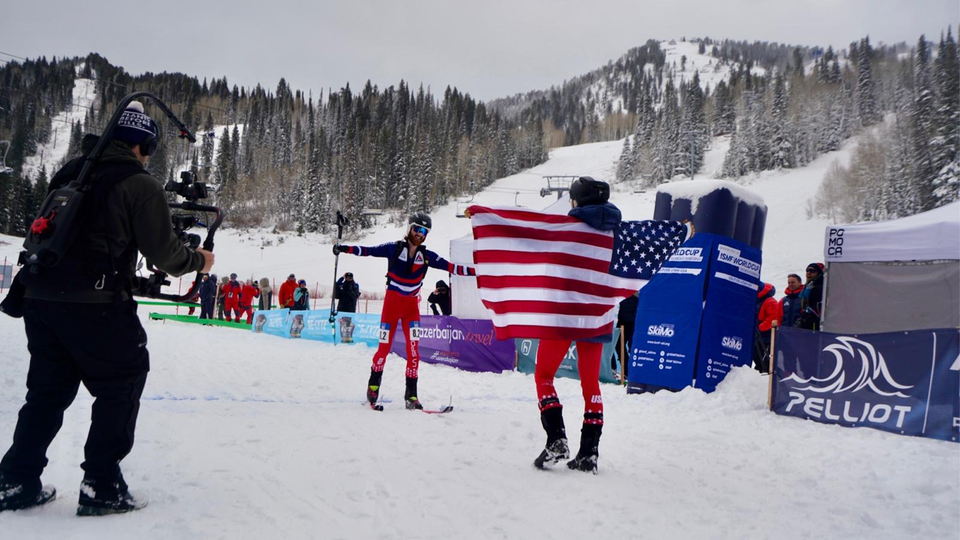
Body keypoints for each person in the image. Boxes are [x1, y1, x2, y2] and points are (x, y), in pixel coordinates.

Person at [0, 101, 214, 514]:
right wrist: (198, 261)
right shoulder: (138, 183)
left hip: (41, 299)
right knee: (122, 380)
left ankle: (15, 480)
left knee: (46, 393)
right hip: (96, 306)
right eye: (148, 150)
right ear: (142, 146)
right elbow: (167, 255)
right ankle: (102, 485)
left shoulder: (72, 172)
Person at [334, 213, 475, 410]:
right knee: (383, 349)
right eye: (417, 229)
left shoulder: (426, 256)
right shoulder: (394, 249)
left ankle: (412, 396)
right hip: (391, 307)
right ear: (409, 229)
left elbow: (452, 268)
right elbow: (368, 251)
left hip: (411, 309)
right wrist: (344, 248)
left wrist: (478, 272)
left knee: (414, 352)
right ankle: (373, 388)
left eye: (424, 231)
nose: (420, 234)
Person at [530, 177, 619, 474]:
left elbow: (527, 239)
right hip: (599, 316)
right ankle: (589, 452)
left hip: (564, 315)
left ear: (577, 201)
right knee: (591, 383)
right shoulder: (618, 232)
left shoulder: (566, 230)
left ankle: (556, 439)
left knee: (543, 375)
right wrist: (685, 230)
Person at [753, 282, 782, 372]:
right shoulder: (757, 300)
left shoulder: (769, 301)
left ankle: (767, 373)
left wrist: (760, 327)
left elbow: (774, 317)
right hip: (759, 335)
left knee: (763, 357)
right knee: (758, 356)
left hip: (767, 336)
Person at [616, 292, 639, 379]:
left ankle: (633, 374)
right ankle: (627, 373)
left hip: (634, 319)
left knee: (633, 347)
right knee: (618, 345)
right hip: (622, 318)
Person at [797, 263, 825, 330]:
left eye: (812, 271)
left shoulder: (820, 287)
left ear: (819, 273)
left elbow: (816, 306)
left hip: (815, 322)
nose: (808, 273)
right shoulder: (808, 286)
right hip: (807, 319)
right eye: (807, 270)